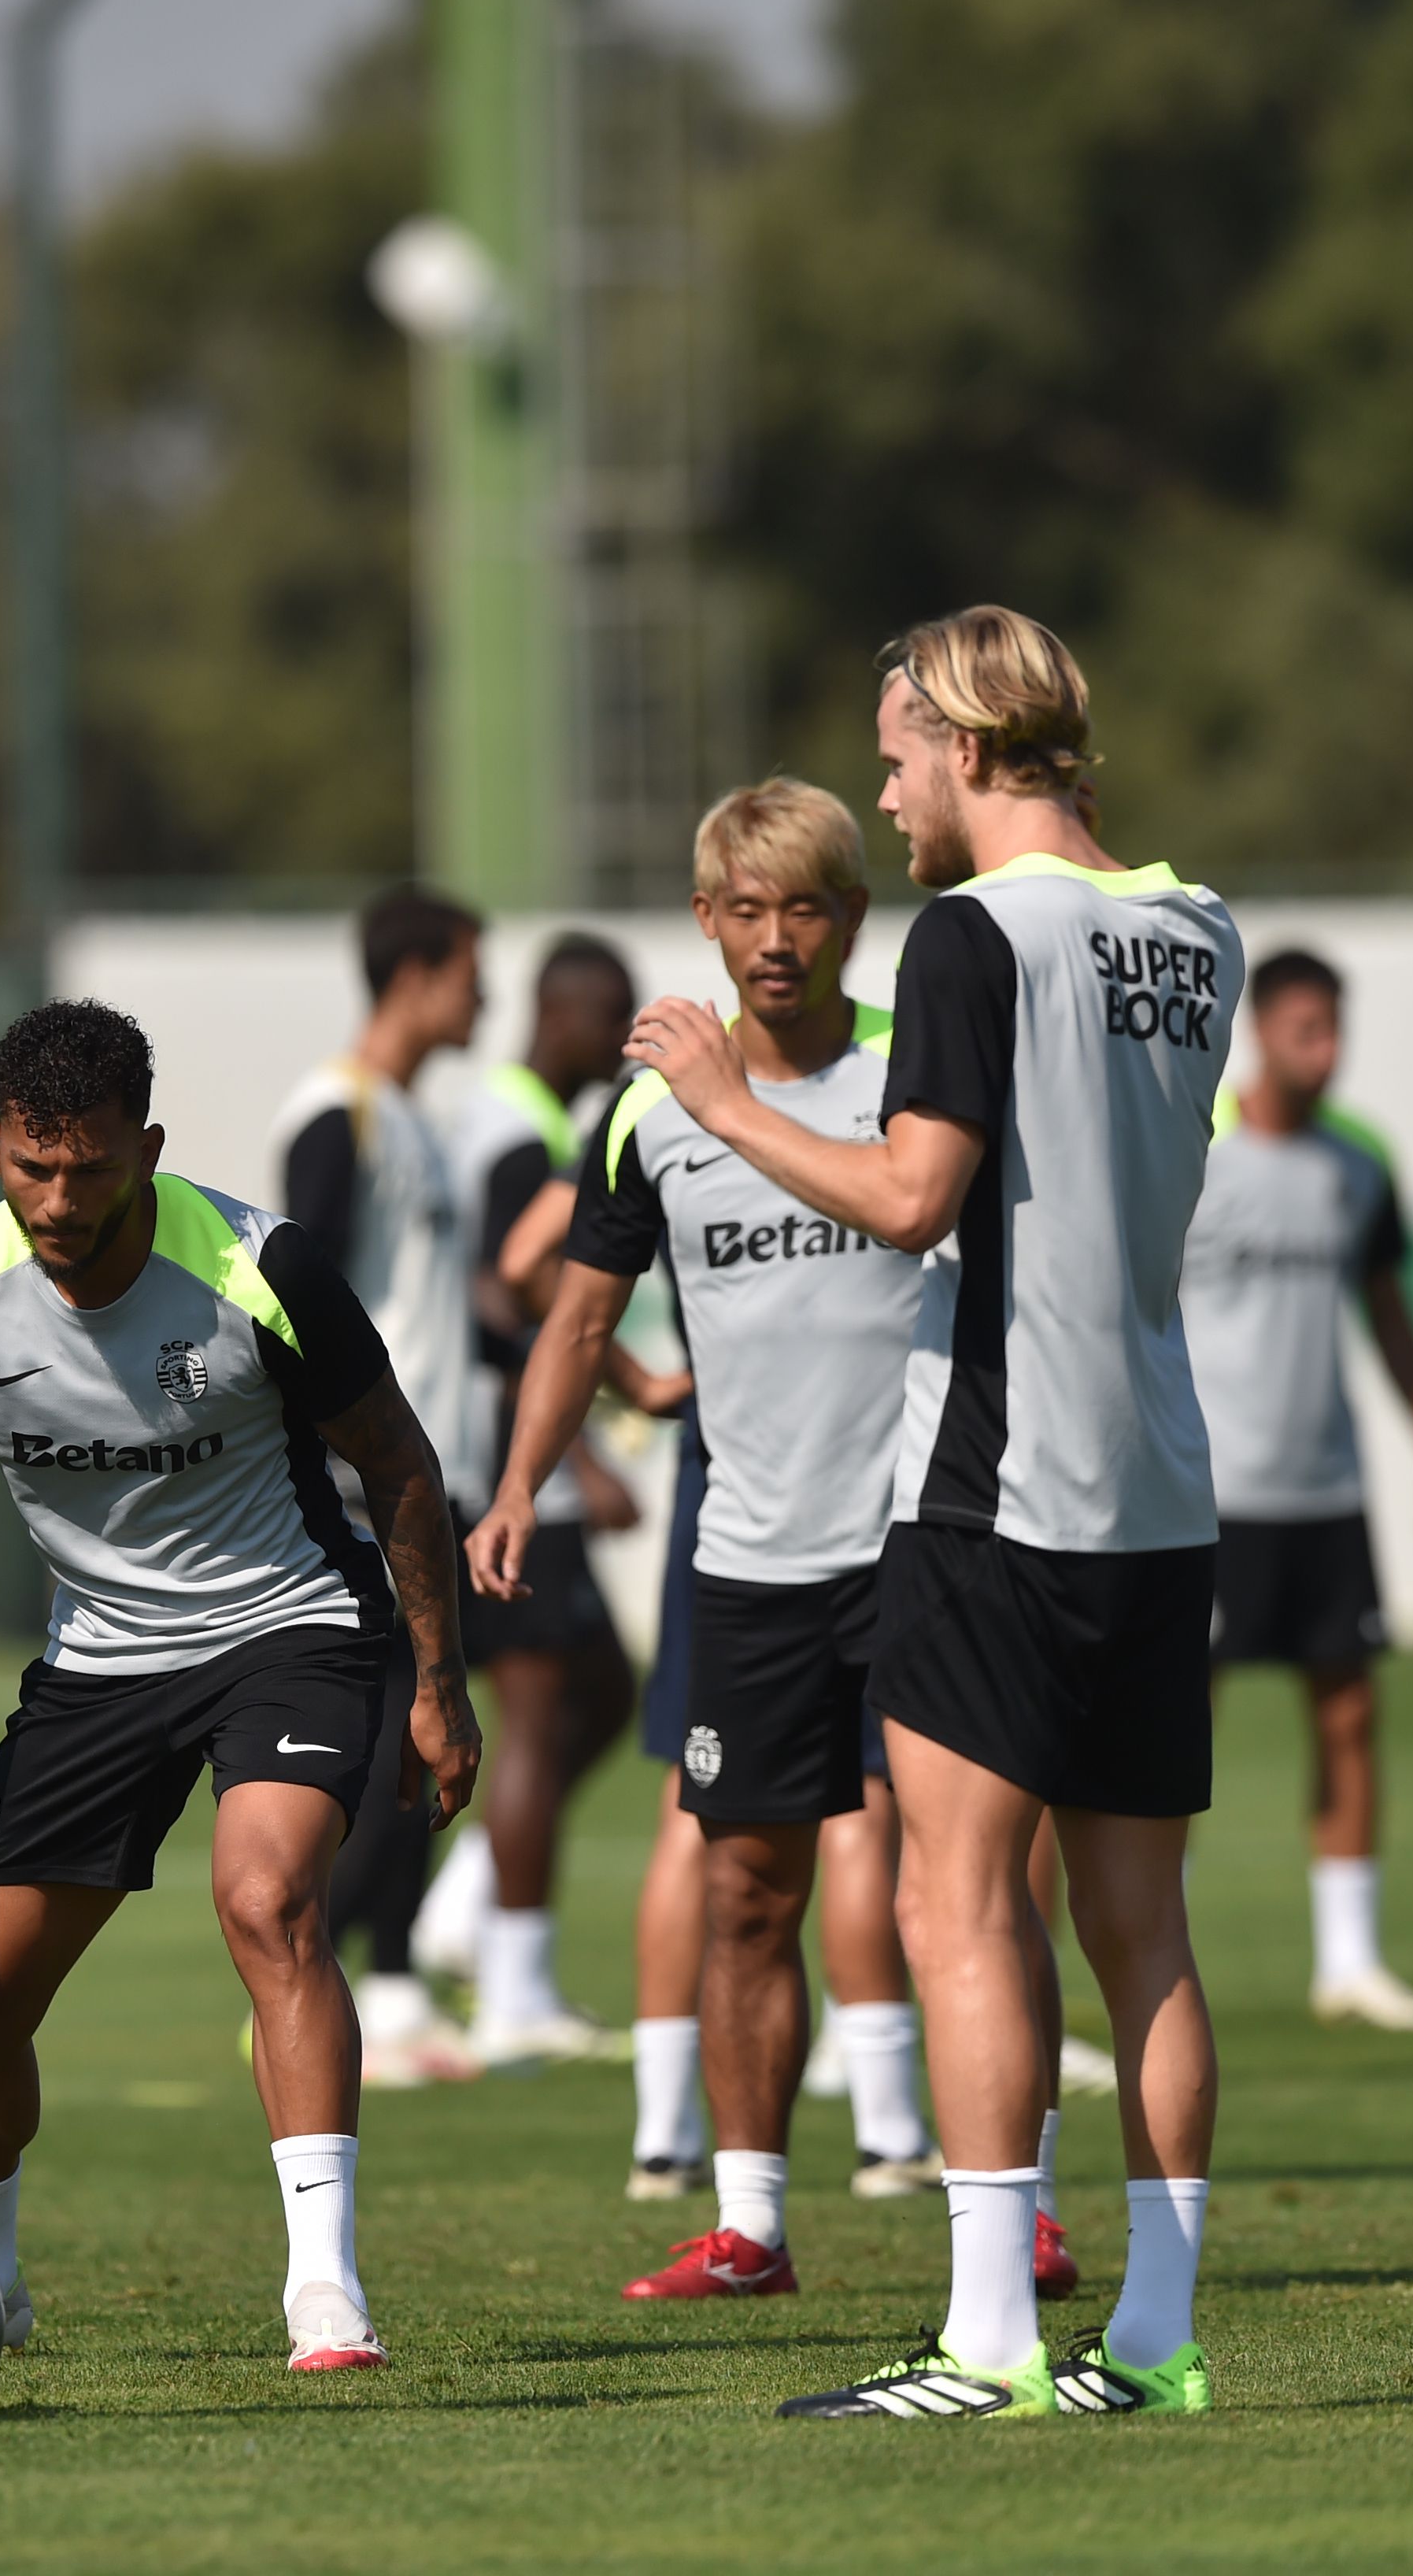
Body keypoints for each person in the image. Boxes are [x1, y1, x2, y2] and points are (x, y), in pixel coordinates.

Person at [634, 608, 1236, 2423]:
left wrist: (718, 1100)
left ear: (968, 745)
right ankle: (1155, 2338)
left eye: (897, 755)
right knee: (1144, 1931)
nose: (886, 793)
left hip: (994, 1483)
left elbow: (912, 1197)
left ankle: (987, 2338)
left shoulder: (975, 931)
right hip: (1157, 1482)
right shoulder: (1198, 925)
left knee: (954, 1903)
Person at [0, 999, 478, 2374]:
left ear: (148, 1147)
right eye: (33, 1167)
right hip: (100, 1663)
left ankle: (325, 2290)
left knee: (268, 1901)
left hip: (289, 1625)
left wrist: (438, 1681)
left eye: (90, 1167)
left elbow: (401, 1465)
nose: (60, 1200)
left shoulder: (262, 1270)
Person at [471, 779, 943, 2298]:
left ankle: (1022, 2206)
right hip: (749, 1565)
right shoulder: (648, 1114)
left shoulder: (920, 1073)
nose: (775, 939)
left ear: (853, 917)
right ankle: (752, 2228)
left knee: (967, 1882)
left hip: (929, 1544)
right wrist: (516, 1487)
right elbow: (574, 1318)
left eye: (804, 907)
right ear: (705, 922)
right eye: (745, 911)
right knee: (747, 1894)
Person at [1183, 947, 1413, 2031]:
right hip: (1206, 1492)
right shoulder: (1194, 1147)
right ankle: (1150, 1949)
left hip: (1325, 1487)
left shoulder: (1358, 1160)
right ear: (1260, 1031)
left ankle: (1349, 1963)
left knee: (1348, 1712)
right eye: (1306, 1029)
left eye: (1336, 1029)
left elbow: (1387, 1308)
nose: (1326, 1051)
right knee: (1175, 1731)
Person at [413, 933, 644, 2066]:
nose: (624, 1040)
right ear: (562, 1016)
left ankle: (468, 1908)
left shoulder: (524, 1119)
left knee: (599, 1691)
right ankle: (514, 1988)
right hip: (512, 1467)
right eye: (613, 1016)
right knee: (542, 1715)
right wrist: (579, 1456)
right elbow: (514, 1292)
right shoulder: (519, 1133)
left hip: (511, 1458)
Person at [272, 886, 489, 2086]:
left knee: (433, 1726)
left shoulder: (414, 1117)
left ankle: (392, 1979)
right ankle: (294, 1980)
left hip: (436, 1470)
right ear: (415, 977)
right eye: (469, 972)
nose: (484, 996)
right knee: (403, 1721)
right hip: (371, 1488)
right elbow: (298, 1299)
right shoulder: (338, 1111)